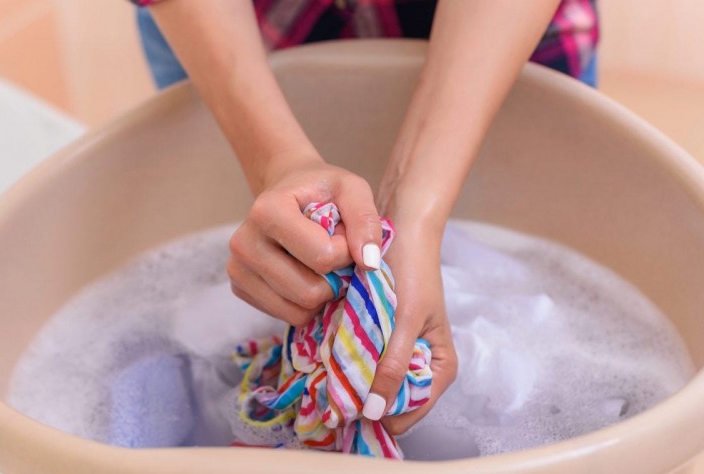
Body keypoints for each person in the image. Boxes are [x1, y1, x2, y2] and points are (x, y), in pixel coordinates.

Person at [128, 0, 599, 436]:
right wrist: (278, 166)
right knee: (275, 249)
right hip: (230, 27)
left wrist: (414, 215)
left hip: (493, 34)